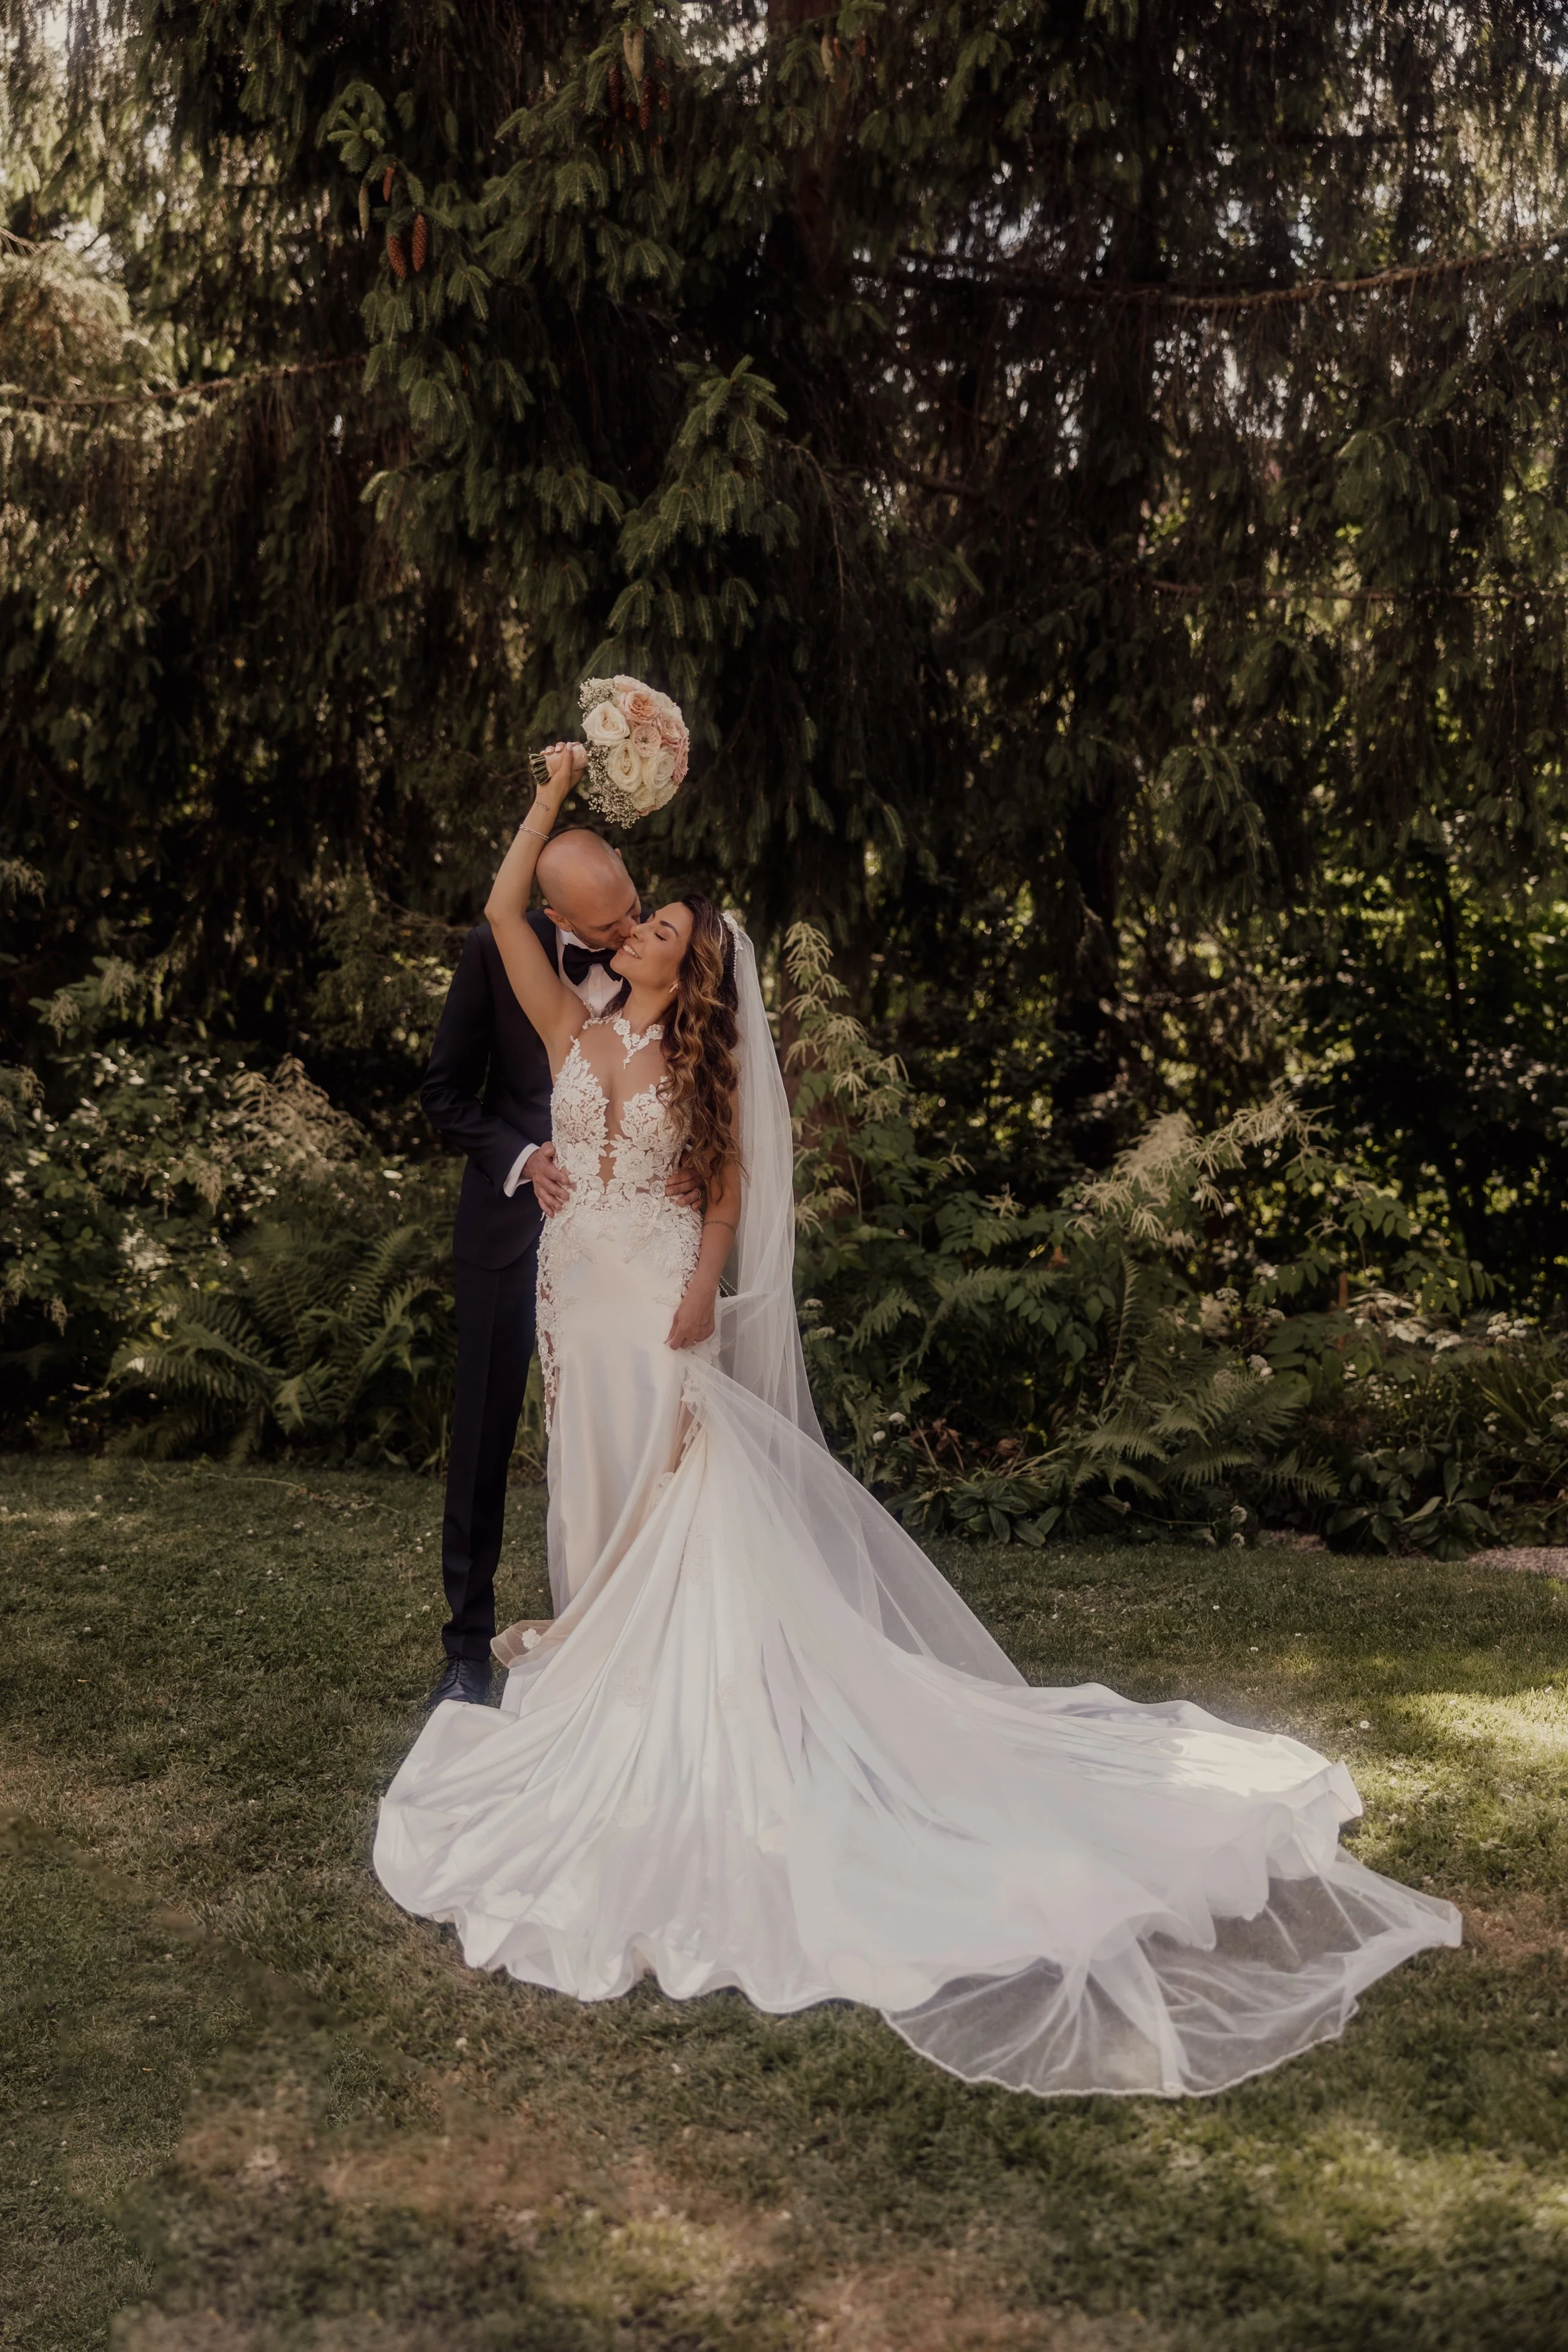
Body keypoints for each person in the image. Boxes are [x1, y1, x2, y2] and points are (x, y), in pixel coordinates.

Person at [375, 744, 1461, 2100]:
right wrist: (544, 792)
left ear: (681, 966)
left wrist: (700, 1300)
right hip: (573, 1306)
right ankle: (595, 1667)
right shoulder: (569, 1032)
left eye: (653, 924)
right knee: (587, 1496)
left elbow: (718, 1198)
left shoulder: (699, 1062)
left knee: (671, 1506)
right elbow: (497, 915)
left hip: (653, 1307)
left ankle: (676, 1708)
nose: (634, 928)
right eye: (630, 918)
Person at [418, 818, 694, 1708]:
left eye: (636, 912)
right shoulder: (502, 951)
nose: (627, 932)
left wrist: (683, 1159)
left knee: (639, 1438)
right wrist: (519, 1156)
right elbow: (443, 1091)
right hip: (517, 1226)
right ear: (556, 911)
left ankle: (644, 1636)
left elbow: (709, 1088)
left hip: (635, 1247)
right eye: (609, 925)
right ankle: (468, 1650)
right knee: (487, 1431)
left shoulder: (666, 960)